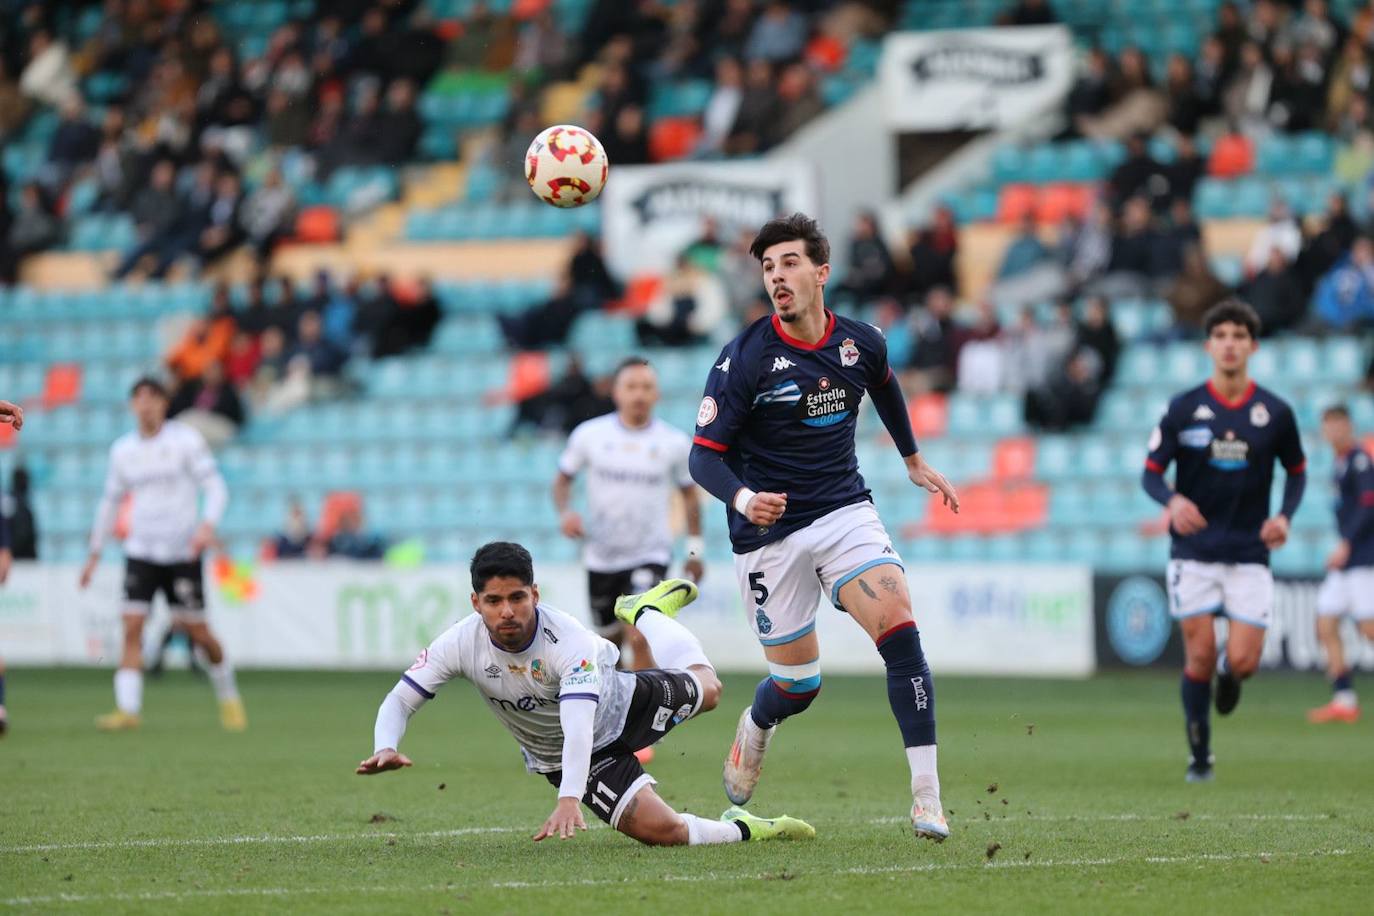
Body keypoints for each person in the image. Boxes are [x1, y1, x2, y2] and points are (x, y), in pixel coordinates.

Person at [688, 213, 960, 842]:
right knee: (798, 684)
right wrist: (745, 496)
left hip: (843, 511)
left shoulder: (861, 342)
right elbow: (703, 455)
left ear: (820, 272)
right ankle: (757, 725)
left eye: (788, 263)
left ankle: (927, 798)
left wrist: (912, 460)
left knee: (901, 632)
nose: (776, 277)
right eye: (767, 267)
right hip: (768, 534)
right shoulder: (745, 358)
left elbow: (885, 387)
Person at [357, 543, 814, 846]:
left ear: (535, 593)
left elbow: (577, 722)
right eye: (494, 602)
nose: (508, 611)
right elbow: (400, 699)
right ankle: (748, 829)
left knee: (711, 690)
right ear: (476, 603)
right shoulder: (459, 643)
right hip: (565, 757)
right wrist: (385, 746)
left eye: (517, 597)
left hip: (621, 702)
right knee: (663, 832)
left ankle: (647, 611)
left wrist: (569, 799)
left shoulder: (567, 641)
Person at [1141, 300, 1306, 783]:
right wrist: (1172, 502)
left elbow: (1297, 472)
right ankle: (1200, 757)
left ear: (1252, 346)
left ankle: (1231, 677)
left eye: (1239, 335)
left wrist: (1285, 516)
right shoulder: (1184, 407)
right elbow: (1150, 474)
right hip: (1194, 552)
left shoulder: (1275, 412)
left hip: (1250, 553)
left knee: (1243, 661)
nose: (1230, 343)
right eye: (1221, 335)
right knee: (1197, 655)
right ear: (1209, 344)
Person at [78, 377, 246, 733]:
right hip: (140, 550)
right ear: (132, 406)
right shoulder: (123, 450)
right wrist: (94, 552)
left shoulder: (185, 441)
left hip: (182, 550)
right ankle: (128, 709)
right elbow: (110, 503)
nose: (146, 404)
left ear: (164, 404)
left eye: (153, 397)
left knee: (199, 634)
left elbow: (215, 486)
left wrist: (206, 525)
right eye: (139, 398)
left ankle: (229, 696)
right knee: (132, 627)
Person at [553, 357, 705, 685]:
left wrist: (694, 550)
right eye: (631, 387)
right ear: (616, 393)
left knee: (640, 633)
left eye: (646, 387)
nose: (639, 394)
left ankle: (646, 722)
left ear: (657, 394)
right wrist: (566, 515)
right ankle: (621, 708)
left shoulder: (673, 443)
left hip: (650, 553)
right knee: (610, 644)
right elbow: (562, 480)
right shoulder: (589, 435)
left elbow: (690, 496)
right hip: (601, 557)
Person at [1308, 404, 1374, 724]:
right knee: (1326, 623)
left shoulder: (1360, 460)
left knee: (1369, 628)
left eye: (1338, 424)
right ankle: (1344, 698)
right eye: (1328, 425)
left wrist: (1346, 543)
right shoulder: (1339, 462)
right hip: (1347, 560)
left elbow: (1368, 505)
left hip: (1364, 557)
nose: (1333, 431)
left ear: (1348, 425)